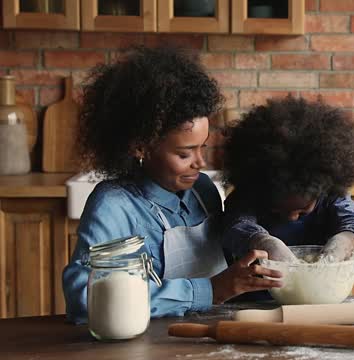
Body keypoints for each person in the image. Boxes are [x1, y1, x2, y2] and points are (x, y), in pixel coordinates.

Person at [62, 46, 282, 324]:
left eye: (202, 148)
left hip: (215, 334)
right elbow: (84, 297)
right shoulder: (114, 206)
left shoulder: (203, 189)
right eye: (184, 154)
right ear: (140, 147)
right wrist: (208, 291)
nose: (200, 162)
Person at [222, 96, 354, 266]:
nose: (292, 217)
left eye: (302, 211)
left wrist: (346, 240)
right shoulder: (248, 197)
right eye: (277, 210)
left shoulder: (332, 196)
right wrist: (262, 241)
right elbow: (233, 227)